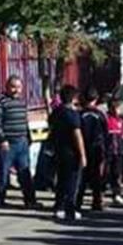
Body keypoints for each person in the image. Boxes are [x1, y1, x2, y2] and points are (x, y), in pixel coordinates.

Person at [0, 75, 38, 209]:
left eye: (18, 87)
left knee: (25, 173)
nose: (16, 90)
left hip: (22, 142)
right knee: (3, 173)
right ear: (7, 87)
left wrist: (28, 138)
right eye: (13, 87)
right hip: (7, 144)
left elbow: (25, 121)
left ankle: (30, 200)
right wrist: (2, 139)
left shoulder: (22, 102)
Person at [50, 85, 87, 221]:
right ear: (73, 98)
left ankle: (58, 206)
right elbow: (77, 135)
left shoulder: (57, 112)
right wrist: (82, 155)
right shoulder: (72, 114)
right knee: (72, 182)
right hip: (72, 152)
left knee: (61, 179)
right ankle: (70, 209)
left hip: (59, 150)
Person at [76, 87, 108, 212]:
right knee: (96, 176)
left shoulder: (80, 114)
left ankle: (78, 201)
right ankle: (97, 201)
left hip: (83, 147)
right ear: (96, 99)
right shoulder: (100, 115)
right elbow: (105, 133)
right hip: (97, 148)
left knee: (82, 176)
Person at [105, 97, 123, 205]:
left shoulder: (120, 121)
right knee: (106, 172)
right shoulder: (106, 119)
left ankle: (117, 194)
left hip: (118, 151)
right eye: (114, 108)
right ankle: (101, 192)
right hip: (108, 151)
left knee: (117, 173)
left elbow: (122, 136)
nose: (116, 111)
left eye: (118, 108)